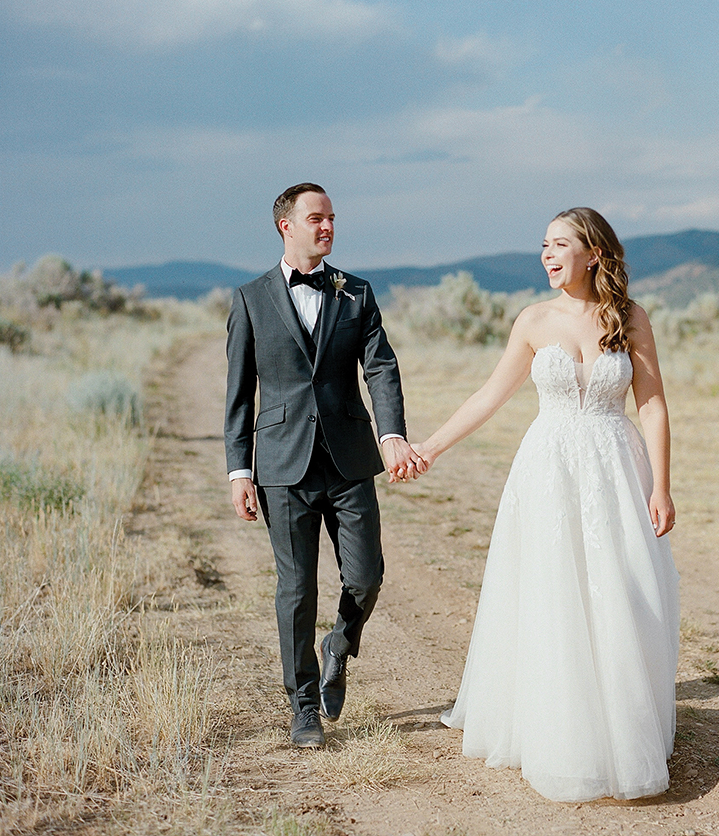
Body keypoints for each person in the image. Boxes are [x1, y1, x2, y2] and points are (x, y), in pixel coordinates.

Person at [412, 207, 680, 801]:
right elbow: (491, 394)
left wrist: (661, 485)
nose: (547, 255)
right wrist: (429, 447)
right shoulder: (533, 320)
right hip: (549, 472)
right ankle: (559, 731)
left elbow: (653, 404)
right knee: (553, 595)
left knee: (624, 593)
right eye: (543, 245)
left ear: (594, 254)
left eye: (560, 244)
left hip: (616, 468)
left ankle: (622, 727)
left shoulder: (630, 319)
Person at [224, 183, 426, 748]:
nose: (328, 226)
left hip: (349, 460)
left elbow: (381, 368)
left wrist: (391, 434)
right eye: (316, 218)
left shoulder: (355, 292)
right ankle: (303, 704)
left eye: (332, 217)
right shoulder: (249, 299)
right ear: (285, 225)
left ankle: (339, 642)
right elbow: (239, 394)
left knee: (366, 575)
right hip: (282, 466)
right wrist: (239, 470)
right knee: (296, 588)